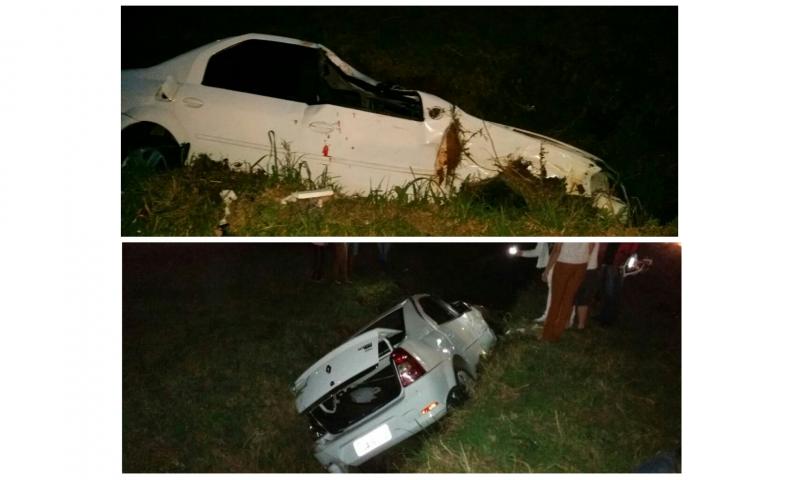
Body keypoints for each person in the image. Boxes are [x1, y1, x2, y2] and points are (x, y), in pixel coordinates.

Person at [540, 243, 594, 342]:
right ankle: (557, 333)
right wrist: (584, 258)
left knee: (556, 300)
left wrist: (546, 270)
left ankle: (547, 335)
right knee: (568, 299)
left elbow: (556, 250)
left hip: (564, 262)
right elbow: (591, 245)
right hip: (581, 264)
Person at [596, 243, 639, 326]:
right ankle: (603, 315)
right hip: (609, 260)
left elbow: (631, 248)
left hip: (617, 263)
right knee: (606, 290)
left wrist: (622, 260)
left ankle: (608, 319)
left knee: (611, 292)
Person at [573, 242, 602, 330]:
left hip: (587, 268)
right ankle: (572, 322)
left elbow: (590, 247)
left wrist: (582, 264)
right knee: (577, 295)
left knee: (583, 296)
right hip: (584, 267)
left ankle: (580, 324)